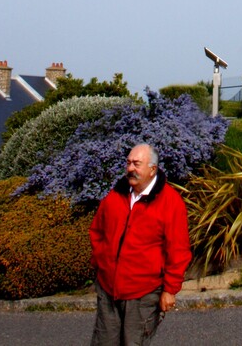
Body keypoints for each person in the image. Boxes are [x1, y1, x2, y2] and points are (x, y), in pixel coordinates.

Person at [89, 142, 192, 345]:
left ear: (152, 169)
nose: (130, 169)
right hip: (109, 289)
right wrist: (101, 262)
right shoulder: (115, 196)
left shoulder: (170, 203)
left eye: (136, 164)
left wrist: (170, 290)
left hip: (143, 293)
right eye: (128, 163)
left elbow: (178, 251)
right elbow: (97, 231)